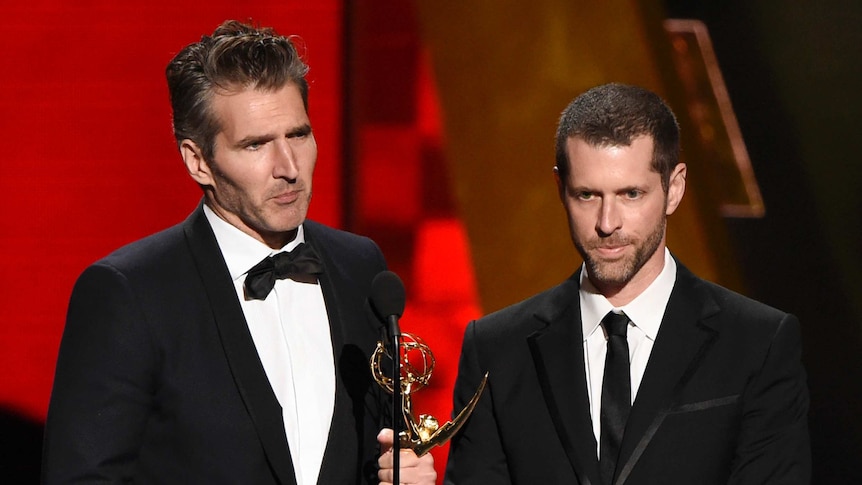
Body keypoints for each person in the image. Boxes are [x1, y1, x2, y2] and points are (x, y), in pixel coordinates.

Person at [42, 20, 435, 485]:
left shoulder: (360, 266)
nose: (288, 168)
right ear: (198, 161)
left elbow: (372, 447)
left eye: (298, 135)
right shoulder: (129, 293)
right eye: (256, 145)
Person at [444, 83, 810, 484]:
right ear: (560, 190)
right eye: (586, 195)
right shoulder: (496, 348)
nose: (607, 223)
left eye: (631, 194)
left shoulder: (757, 342)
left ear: (674, 189)